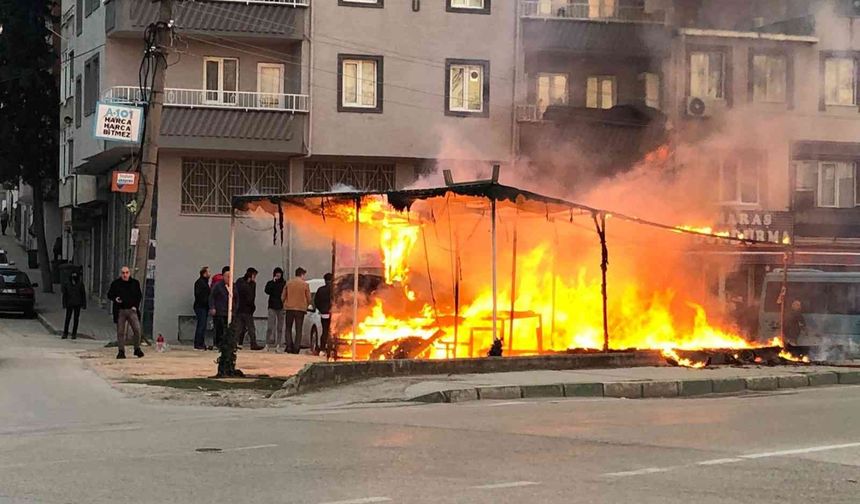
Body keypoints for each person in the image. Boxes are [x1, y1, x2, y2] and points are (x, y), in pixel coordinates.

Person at [107, 266, 144, 359]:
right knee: (120, 332)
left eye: (127, 272)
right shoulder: (116, 284)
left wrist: (135, 306)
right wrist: (115, 298)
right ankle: (121, 351)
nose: (125, 275)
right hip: (120, 310)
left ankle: (137, 349)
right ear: (120, 274)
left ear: (129, 273)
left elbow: (139, 296)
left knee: (137, 330)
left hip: (132, 310)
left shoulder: (135, 283)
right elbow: (109, 294)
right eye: (123, 273)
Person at [282, 267, 311, 354]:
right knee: (299, 329)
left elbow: (283, 296)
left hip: (289, 308)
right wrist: (306, 305)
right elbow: (309, 298)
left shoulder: (289, 283)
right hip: (300, 309)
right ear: (302, 274)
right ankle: (296, 347)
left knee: (288, 328)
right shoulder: (305, 285)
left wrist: (285, 304)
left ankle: (289, 346)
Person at [233, 267, 263, 351]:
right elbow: (242, 294)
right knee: (241, 327)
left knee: (247, 327)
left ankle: (252, 343)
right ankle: (236, 343)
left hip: (248, 309)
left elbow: (252, 296)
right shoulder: (241, 282)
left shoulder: (252, 284)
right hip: (241, 308)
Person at [264, 267, 286, 351]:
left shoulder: (284, 283)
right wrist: (273, 282)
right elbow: (267, 291)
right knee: (270, 327)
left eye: (279, 273)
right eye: (276, 273)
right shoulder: (270, 283)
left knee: (279, 328)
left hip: (281, 307)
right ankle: (267, 344)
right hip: (272, 306)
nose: (278, 275)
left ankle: (278, 345)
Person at [209, 269, 231, 350]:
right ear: (223, 277)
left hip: (228, 312)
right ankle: (217, 344)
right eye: (227, 276)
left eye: (230, 276)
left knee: (228, 329)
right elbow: (212, 297)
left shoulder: (232, 285)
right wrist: (212, 307)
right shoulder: (218, 286)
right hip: (219, 311)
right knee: (219, 328)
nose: (229, 278)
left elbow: (236, 297)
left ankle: (226, 344)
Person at [61, 272, 86, 340]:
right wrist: (64, 304)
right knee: (68, 318)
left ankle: (74, 333)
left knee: (76, 319)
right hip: (69, 303)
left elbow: (83, 294)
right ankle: (65, 333)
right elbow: (64, 295)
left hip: (77, 303)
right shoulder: (67, 283)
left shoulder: (80, 284)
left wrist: (84, 304)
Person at [314, 273, 333, 356]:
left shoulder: (320, 290)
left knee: (324, 331)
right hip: (333, 313)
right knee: (332, 332)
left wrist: (321, 309)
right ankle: (331, 349)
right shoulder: (335, 290)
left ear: (325, 281)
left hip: (324, 313)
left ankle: (322, 349)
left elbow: (316, 301)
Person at [193, 266, 211, 350]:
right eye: (208, 272)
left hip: (203, 306)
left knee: (202, 326)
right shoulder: (200, 283)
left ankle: (200, 343)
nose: (210, 274)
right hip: (201, 307)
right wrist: (206, 302)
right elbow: (200, 295)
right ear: (204, 273)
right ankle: (198, 343)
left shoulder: (204, 282)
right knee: (201, 325)